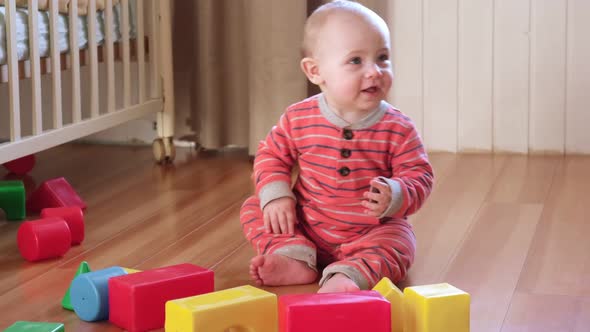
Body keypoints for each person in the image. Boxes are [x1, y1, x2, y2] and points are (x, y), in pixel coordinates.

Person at [240, 0, 433, 293]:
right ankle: (294, 255)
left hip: (372, 231)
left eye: (382, 57)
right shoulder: (298, 117)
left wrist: (396, 193)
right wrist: (278, 196)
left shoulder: (398, 127)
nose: (374, 71)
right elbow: (271, 155)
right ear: (315, 71)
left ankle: (350, 274)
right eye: (356, 61)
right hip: (306, 223)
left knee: (401, 241)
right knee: (255, 207)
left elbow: (419, 175)